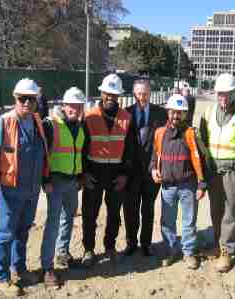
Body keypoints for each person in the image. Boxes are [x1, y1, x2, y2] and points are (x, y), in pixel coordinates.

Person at [0, 78, 51, 296]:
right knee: (6, 234)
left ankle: (19, 268)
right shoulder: (3, 123)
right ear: (15, 99)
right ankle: (2, 277)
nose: (27, 104)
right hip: (10, 190)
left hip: (31, 190)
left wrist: (44, 180)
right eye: (23, 99)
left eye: (31, 99)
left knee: (23, 232)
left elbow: (43, 154)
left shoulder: (38, 122)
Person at [199, 73, 235, 272]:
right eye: (219, 93)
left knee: (230, 211)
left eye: (226, 94)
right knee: (215, 209)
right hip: (213, 171)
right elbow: (202, 142)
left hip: (233, 171)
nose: (222, 97)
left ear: (234, 93)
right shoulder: (208, 112)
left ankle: (227, 250)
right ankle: (217, 244)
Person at [81, 74, 137, 267]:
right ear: (102, 93)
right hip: (93, 174)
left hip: (116, 175)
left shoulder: (126, 118)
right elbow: (81, 147)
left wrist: (125, 175)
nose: (110, 97)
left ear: (119, 96)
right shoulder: (89, 117)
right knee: (90, 214)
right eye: (108, 93)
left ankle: (110, 247)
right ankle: (88, 249)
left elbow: (130, 150)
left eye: (115, 94)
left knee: (114, 214)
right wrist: (83, 174)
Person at [150, 94, 206, 269]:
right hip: (167, 186)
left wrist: (201, 183)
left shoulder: (190, 134)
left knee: (189, 221)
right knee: (167, 221)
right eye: (173, 112)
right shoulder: (160, 133)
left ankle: (188, 253)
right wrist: (153, 169)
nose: (176, 116)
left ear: (185, 114)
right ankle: (171, 251)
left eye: (180, 113)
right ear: (168, 112)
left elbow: (198, 159)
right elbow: (154, 156)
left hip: (187, 185)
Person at [40, 87, 86, 287]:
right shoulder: (51, 125)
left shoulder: (80, 126)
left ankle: (62, 253)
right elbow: (42, 155)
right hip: (56, 182)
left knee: (68, 218)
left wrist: (80, 177)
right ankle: (47, 267)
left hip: (72, 182)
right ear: (64, 106)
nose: (74, 109)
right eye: (71, 105)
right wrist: (45, 180)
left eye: (78, 106)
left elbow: (79, 153)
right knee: (53, 223)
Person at [122, 79, 167, 257]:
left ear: (150, 93)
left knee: (148, 209)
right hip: (131, 172)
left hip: (151, 171)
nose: (142, 97)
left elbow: (164, 141)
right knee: (130, 209)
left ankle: (146, 243)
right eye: (139, 94)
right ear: (134, 94)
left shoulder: (161, 114)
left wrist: (158, 166)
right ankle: (131, 242)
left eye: (145, 93)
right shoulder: (125, 114)